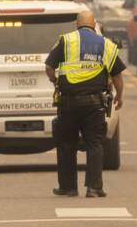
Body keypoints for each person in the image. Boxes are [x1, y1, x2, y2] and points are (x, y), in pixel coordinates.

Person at [45, 10, 124, 198]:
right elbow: (117, 76)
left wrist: (55, 81)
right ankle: (94, 188)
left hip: (68, 103)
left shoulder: (65, 41)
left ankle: (68, 188)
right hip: (94, 104)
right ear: (94, 24)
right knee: (95, 144)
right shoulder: (107, 44)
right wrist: (119, 96)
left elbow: (49, 67)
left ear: (76, 25)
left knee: (66, 145)